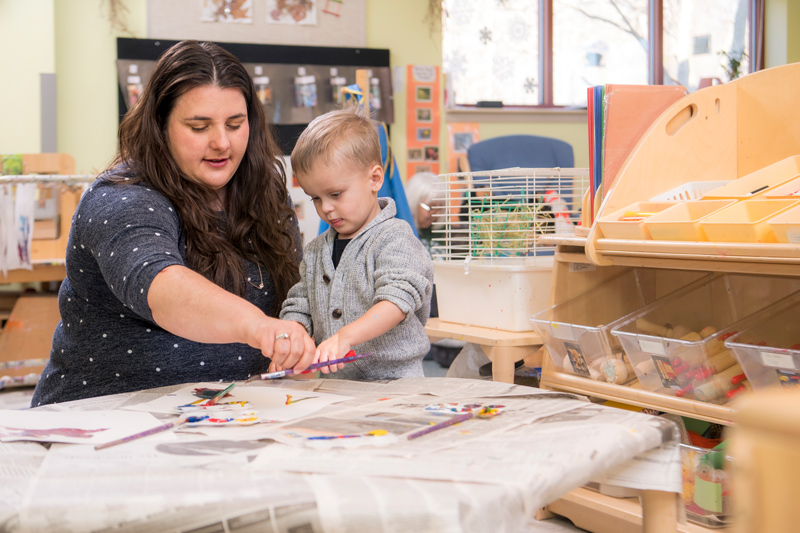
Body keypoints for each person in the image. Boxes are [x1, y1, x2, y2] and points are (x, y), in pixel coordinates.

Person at [31, 40, 316, 407]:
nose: (222, 143)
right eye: (199, 127)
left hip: (228, 415)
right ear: (160, 125)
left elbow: (292, 292)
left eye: (235, 124)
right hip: (101, 419)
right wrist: (259, 327)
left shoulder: (266, 193)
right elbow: (163, 288)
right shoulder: (121, 198)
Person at [279, 106, 434, 380]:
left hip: (396, 385)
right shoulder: (315, 251)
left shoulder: (395, 237)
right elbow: (300, 303)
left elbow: (396, 301)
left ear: (374, 179)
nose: (326, 208)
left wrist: (346, 337)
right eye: (315, 198)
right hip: (337, 386)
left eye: (336, 194)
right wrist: (289, 337)